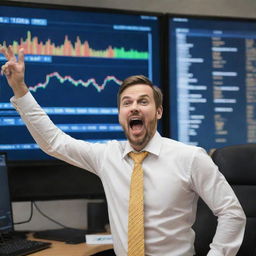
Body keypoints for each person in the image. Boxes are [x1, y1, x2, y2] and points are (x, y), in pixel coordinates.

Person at [0, 45, 246, 256]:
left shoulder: (190, 157)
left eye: (143, 101)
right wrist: (20, 89)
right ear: (120, 115)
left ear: (158, 112)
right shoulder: (107, 156)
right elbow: (54, 142)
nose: (134, 107)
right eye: (127, 103)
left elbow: (232, 213)